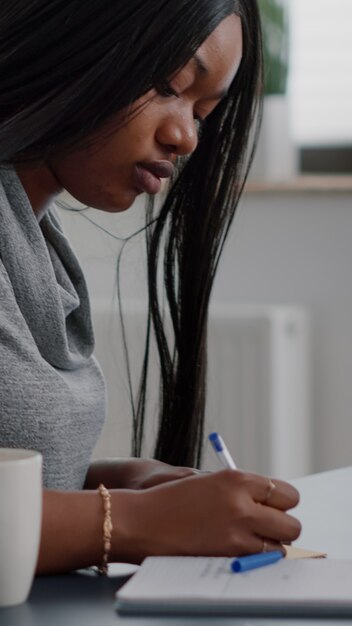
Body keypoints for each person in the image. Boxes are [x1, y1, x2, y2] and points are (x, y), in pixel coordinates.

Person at [0, 0, 301, 575]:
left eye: (203, 113)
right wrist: (137, 522)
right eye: (169, 84)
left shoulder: (39, 245)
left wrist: (125, 482)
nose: (186, 138)